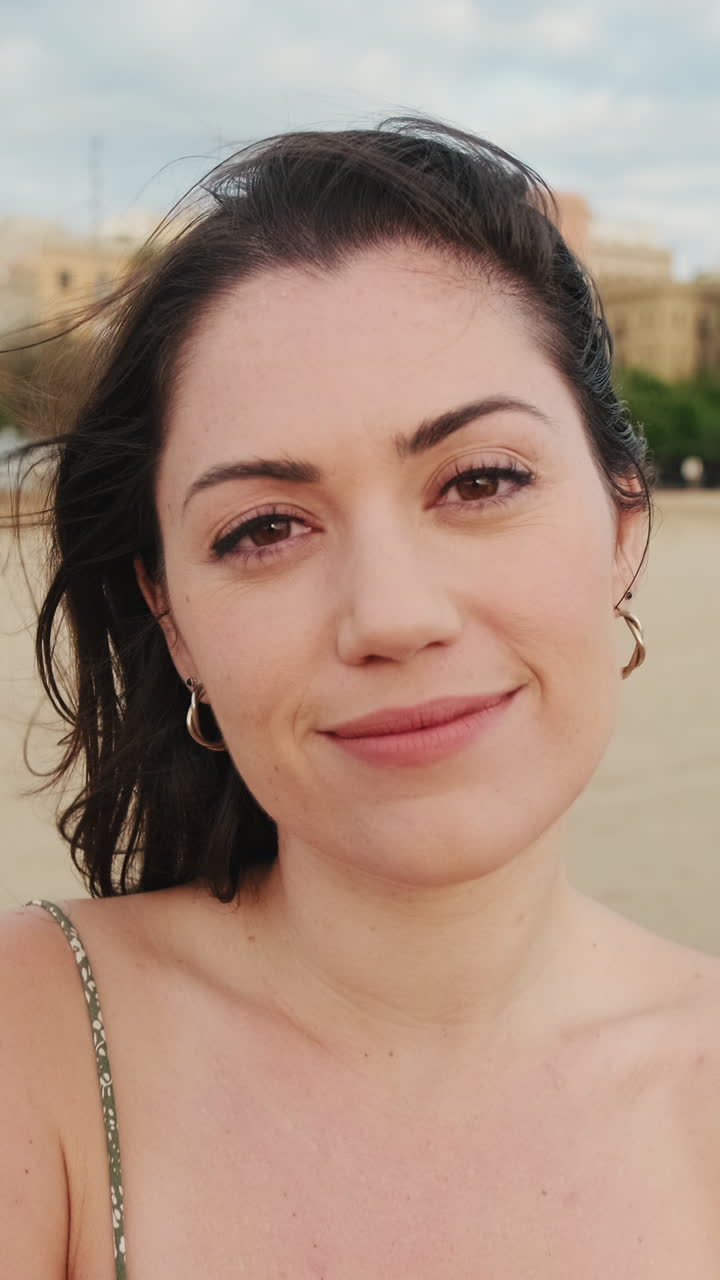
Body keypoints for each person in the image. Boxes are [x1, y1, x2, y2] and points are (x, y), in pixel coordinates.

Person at [3, 115, 720, 1278]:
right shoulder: (34, 1041)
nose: (390, 613)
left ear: (622, 523)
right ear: (171, 615)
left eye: (479, 479)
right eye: (264, 528)